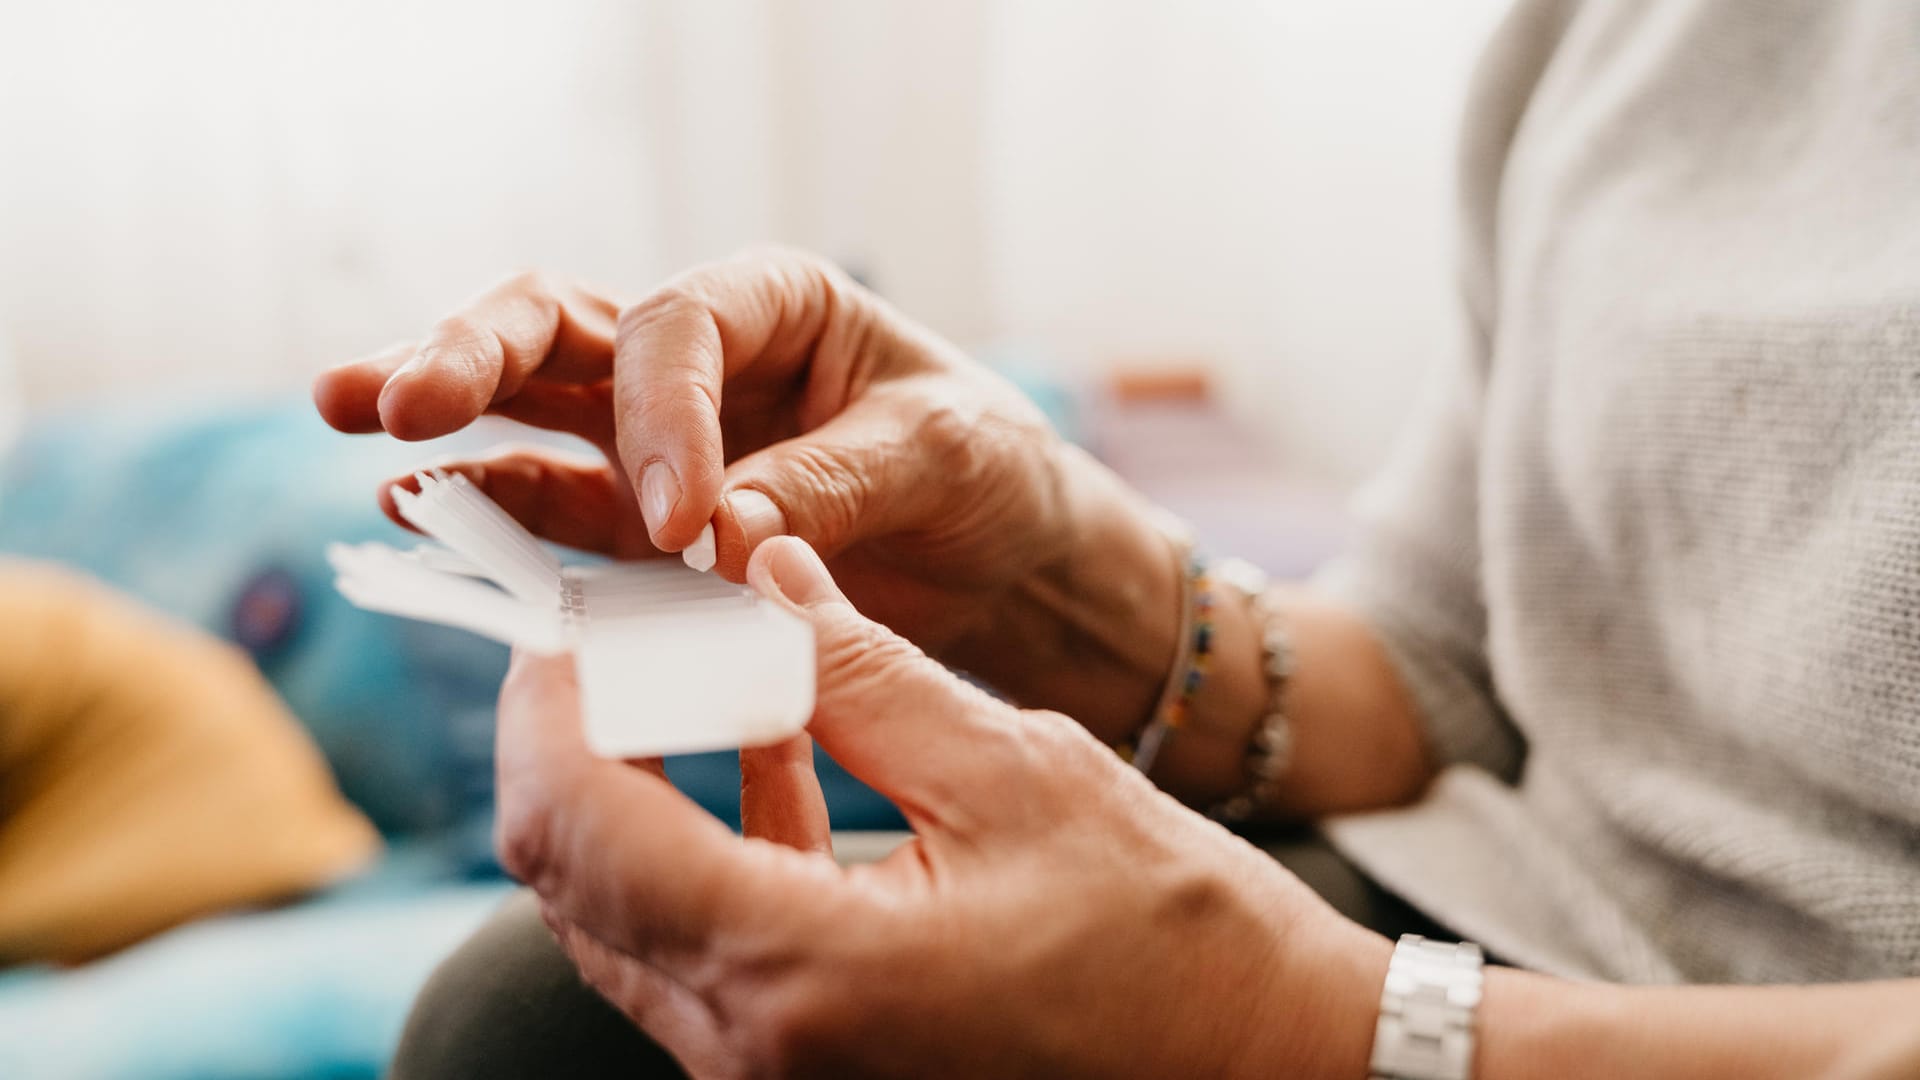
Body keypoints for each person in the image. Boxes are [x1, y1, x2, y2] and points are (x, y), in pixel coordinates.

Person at [314, 1, 1920, 1076]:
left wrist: (1301, 1027)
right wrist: (1055, 568)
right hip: (1484, 926)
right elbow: (1451, 668)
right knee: (534, 1028)